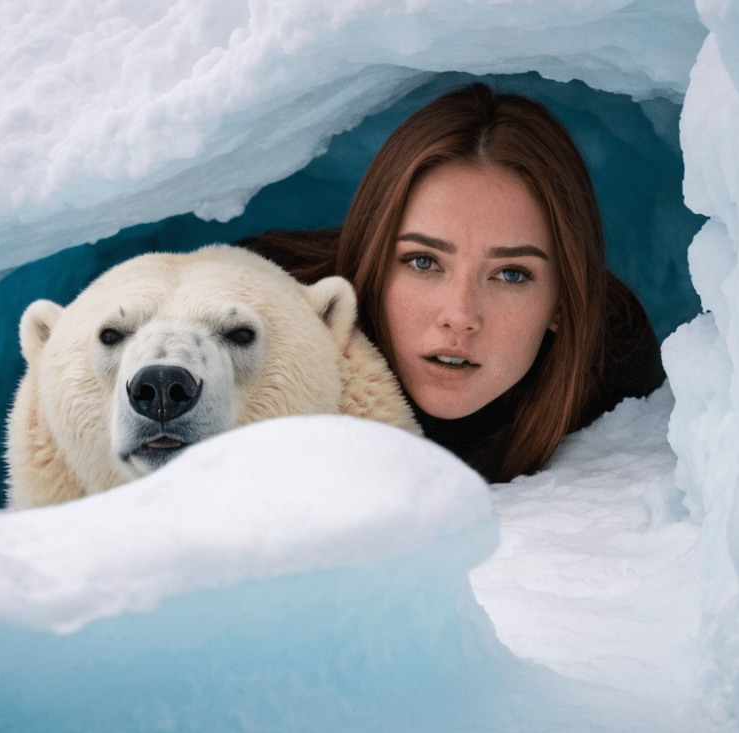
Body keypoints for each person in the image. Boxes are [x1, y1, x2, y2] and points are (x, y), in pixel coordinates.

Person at [239, 83, 665, 483]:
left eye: (511, 274)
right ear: (371, 264)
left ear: (561, 303)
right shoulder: (263, 309)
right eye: (423, 261)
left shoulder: (613, 363)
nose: (460, 317)